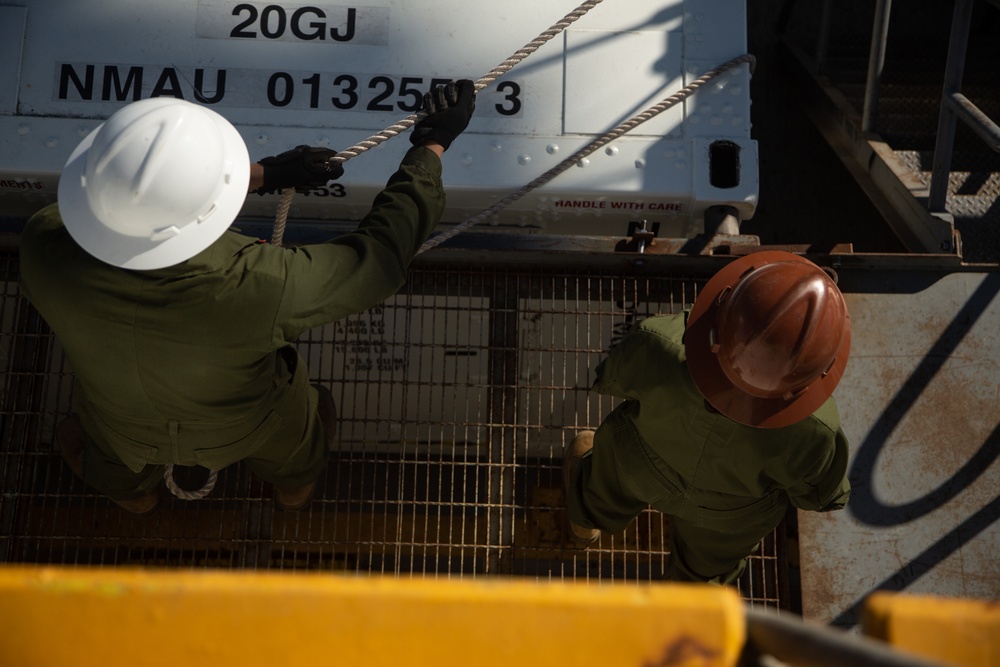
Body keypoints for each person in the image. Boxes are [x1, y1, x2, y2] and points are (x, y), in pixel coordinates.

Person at [19, 80, 477, 516]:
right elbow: (378, 258)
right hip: (244, 430)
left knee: (100, 457)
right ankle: (293, 492)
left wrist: (263, 175)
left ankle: (133, 500)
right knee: (298, 446)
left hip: (120, 431)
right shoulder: (259, 282)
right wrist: (431, 146)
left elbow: (119, 206)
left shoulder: (44, 247)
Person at [562, 251, 852, 584]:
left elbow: (612, 378)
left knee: (609, 477)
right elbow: (820, 495)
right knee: (706, 569)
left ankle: (586, 520)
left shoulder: (662, 342)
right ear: (818, 373)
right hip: (731, 513)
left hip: (643, 463)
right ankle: (683, 617)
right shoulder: (817, 427)